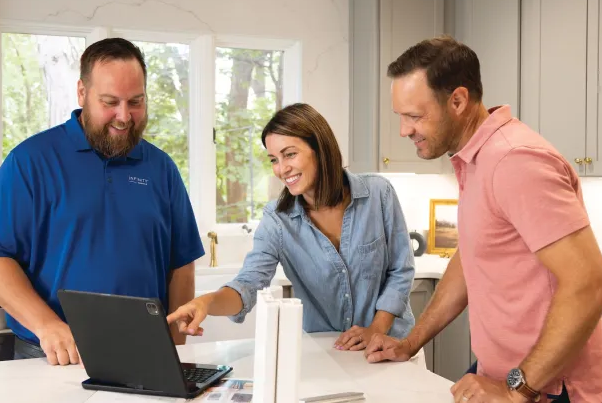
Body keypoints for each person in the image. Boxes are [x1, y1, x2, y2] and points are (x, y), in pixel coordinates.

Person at [364, 36, 602, 403]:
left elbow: (592, 285)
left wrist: (518, 390)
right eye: (401, 116)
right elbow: (470, 258)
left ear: (458, 101)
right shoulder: (477, 160)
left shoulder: (515, 161)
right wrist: (409, 343)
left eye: (414, 116)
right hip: (506, 375)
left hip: (550, 389)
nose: (404, 130)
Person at [0, 38, 203, 365]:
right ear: (82, 93)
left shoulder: (161, 168)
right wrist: (47, 325)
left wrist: (176, 347)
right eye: (110, 101)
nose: (124, 116)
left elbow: (181, 264)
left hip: (146, 353)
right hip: (52, 354)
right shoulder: (30, 161)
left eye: (136, 102)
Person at [167, 103, 416, 351]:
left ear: (319, 148)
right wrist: (206, 303)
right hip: (328, 353)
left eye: (289, 154)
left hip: (391, 347)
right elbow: (248, 284)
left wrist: (376, 329)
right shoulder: (277, 220)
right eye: (274, 159)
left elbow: (400, 269)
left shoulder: (377, 194)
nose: (282, 169)